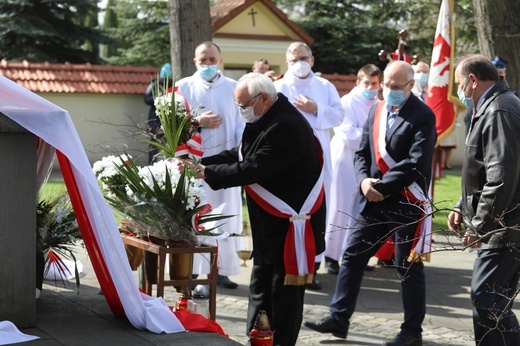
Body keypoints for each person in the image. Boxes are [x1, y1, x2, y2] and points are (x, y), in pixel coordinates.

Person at [183, 72, 326, 346]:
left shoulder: (286, 125)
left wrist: (205, 173)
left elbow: (252, 168)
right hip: (269, 225)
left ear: (263, 98)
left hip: (289, 225)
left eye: (243, 105)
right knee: (261, 287)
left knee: (282, 292)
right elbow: (241, 154)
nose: (241, 111)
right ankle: (257, 339)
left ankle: (279, 342)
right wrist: (201, 164)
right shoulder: (263, 117)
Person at [304, 61, 437, 346]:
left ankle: (412, 332)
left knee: (407, 266)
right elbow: (362, 152)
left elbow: (415, 161)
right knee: (352, 255)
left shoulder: (423, 115)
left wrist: (383, 188)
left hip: (405, 200)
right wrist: (364, 181)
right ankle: (339, 319)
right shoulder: (377, 109)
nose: (389, 91)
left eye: (396, 87)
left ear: (411, 86)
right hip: (374, 200)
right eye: (386, 85)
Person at [448, 54, 520, 346]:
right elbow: (481, 170)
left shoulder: (499, 110)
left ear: (473, 80)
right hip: (504, 221)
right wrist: (461, 204)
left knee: (487, 298)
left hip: (506, 224)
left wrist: (479, 226)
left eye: (459, 84)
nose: (459, 91)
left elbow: (501, 176)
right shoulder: (494, 105)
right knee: (491, 299)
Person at [274, 41, 344, 289]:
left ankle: (312, 268)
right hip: (286, 162)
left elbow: (339, 116)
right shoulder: (278, 87)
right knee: (288, 211)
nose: (299, 63)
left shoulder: (325, 86)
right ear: (287, 62)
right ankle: (287, 265)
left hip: (318, 159)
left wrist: (317, 109)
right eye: (294, 60)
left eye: (303, 58)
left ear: (312, 60)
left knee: (315, 213)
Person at [176, 41, 245, 289]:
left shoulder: (234, 87)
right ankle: (195, 270)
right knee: (198, 214)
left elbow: (242, 123)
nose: (207, 64)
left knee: (225, 214)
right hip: (195, 163)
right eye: (203, 60)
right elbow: (171, 125)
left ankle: (223, 269)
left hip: (227, 163)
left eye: (212, 59)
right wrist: (196, 120)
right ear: (195, 61)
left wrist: (241, 152)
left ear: (220, 60)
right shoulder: (183, 87)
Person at [324, 64, 382, 274]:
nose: (370, 87)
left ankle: (357, 253)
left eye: (374, 83)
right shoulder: (347, 102)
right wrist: (372, 138)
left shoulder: (380, 105)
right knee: (339, 206)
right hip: (344, 159)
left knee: (361, 210)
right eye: (366, 83)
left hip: (367, 163)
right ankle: (331, 255)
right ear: (358, 83)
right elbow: (347, 134)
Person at [144, 62, 173, 163]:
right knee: (154, 145)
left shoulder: (174, 84)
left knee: (171, 145)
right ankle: (151, 165)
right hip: (155, 120)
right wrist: (158, 98)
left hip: (169, 120)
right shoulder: (154, 84)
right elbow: (146, 99)